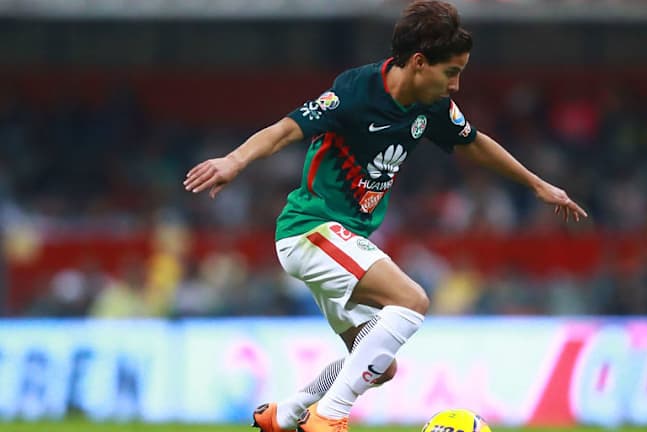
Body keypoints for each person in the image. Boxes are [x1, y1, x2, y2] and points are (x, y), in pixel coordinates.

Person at [183, 1, 588, 431]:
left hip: (342, 239)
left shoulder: (431, 104)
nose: (456, 85)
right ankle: (329, 416)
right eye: (451, 72)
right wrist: (234, 160)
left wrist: (537, 185)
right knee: (412, 300)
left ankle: (285, 414)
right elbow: (286, 129)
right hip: (310, 230)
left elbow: (473, 142)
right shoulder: (356, 92)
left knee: (377, 364)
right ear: (419, 63)